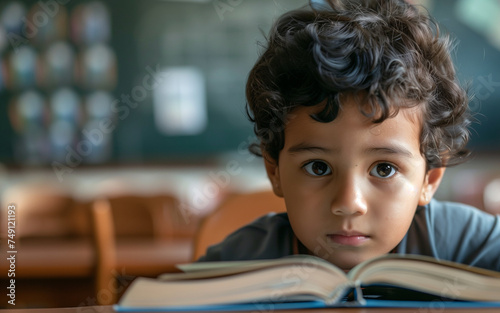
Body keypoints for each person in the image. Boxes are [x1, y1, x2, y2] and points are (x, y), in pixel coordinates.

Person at [198, 0, 500, 272]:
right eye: (318, 167)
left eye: (385, 168)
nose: (349, 203)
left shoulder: (464, 241)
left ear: (429, 179)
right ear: (274, 169)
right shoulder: (237, 262)